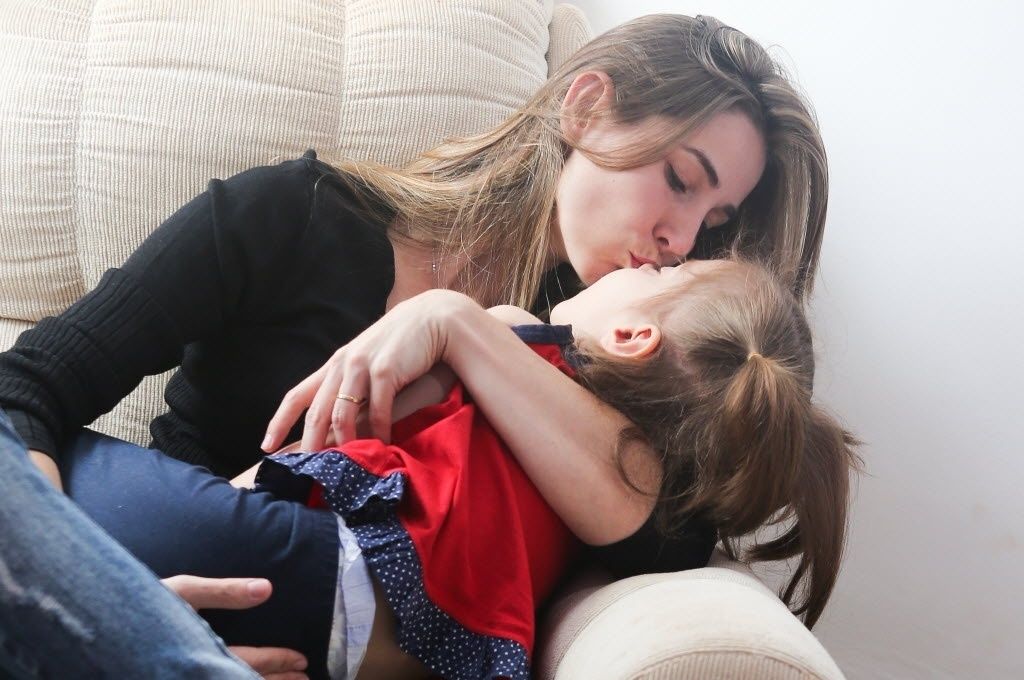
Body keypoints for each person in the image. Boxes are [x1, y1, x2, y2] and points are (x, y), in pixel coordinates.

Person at [0, 10, 828, 671]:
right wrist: (116, 605)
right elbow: (25, 388)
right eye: (680, 180)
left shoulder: (603, 357)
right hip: (151, 550)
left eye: (713, 222)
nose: (680, 240)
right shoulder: (292, 217)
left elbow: (669, 536)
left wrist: (458, 326)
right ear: (585, 109)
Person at [56, 257, 860, 680]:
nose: (645, 261)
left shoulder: (516, 343)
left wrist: (222, 504)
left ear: (631, 337)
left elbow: (330, 445)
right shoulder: (631, 477)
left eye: (660, 274)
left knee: (42, 453)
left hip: (288, 557)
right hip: (353, 640)